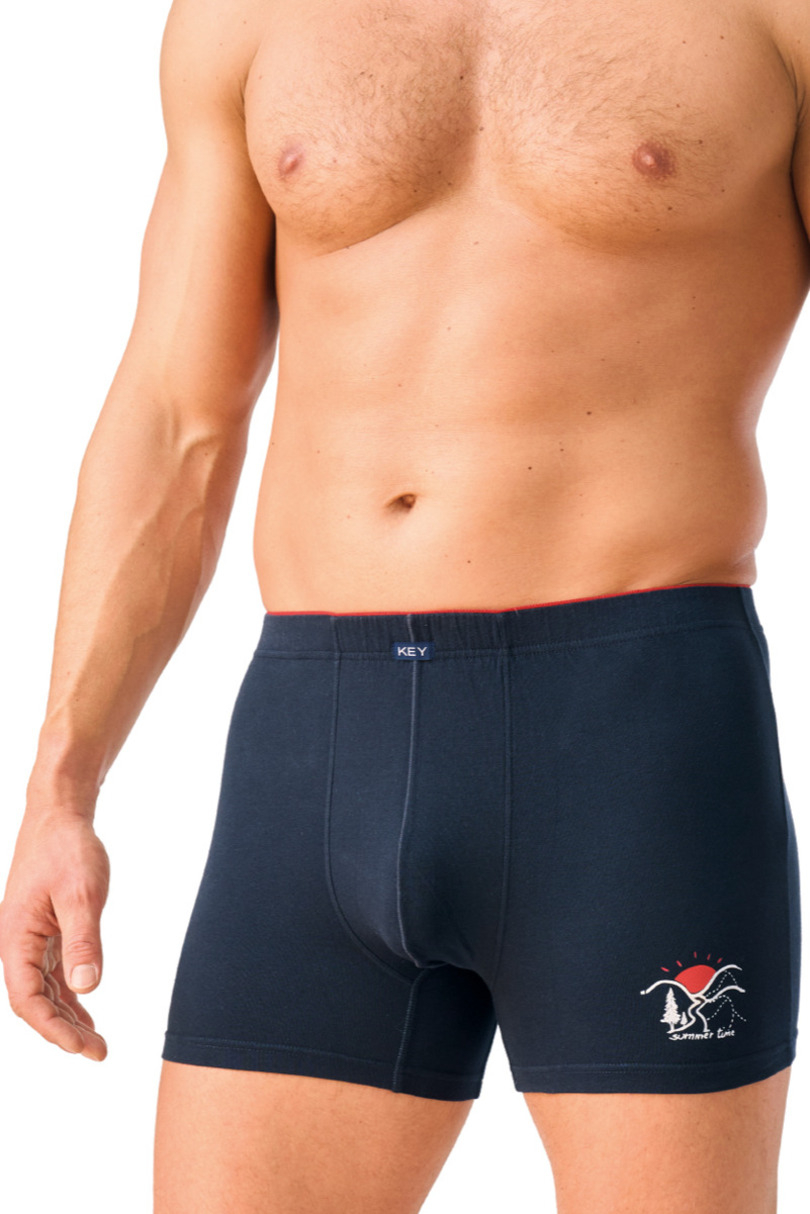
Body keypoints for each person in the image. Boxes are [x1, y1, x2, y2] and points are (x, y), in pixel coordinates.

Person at [0, 0, 806, 1209]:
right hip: (316, 753)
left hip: (632, 748)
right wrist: (60, 786)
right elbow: (175, 419)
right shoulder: (242, 19)